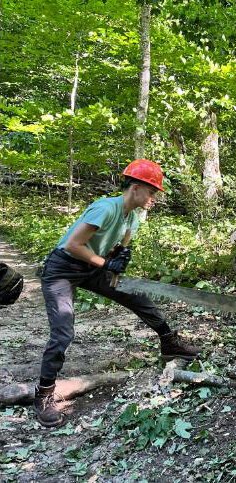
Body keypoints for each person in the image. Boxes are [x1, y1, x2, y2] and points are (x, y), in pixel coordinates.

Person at [34, 159, 200, 427]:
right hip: (63, 268)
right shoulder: (105, 208)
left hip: (92, 265)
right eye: (152, 191)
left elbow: (116, 250)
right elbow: (75, 245)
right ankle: (43, 395)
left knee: (137, 296)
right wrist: (106, 263)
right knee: (63, 330)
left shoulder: (131, 217)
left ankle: (169, 343)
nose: (154, 198)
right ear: (135, 188)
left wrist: (118, 259)